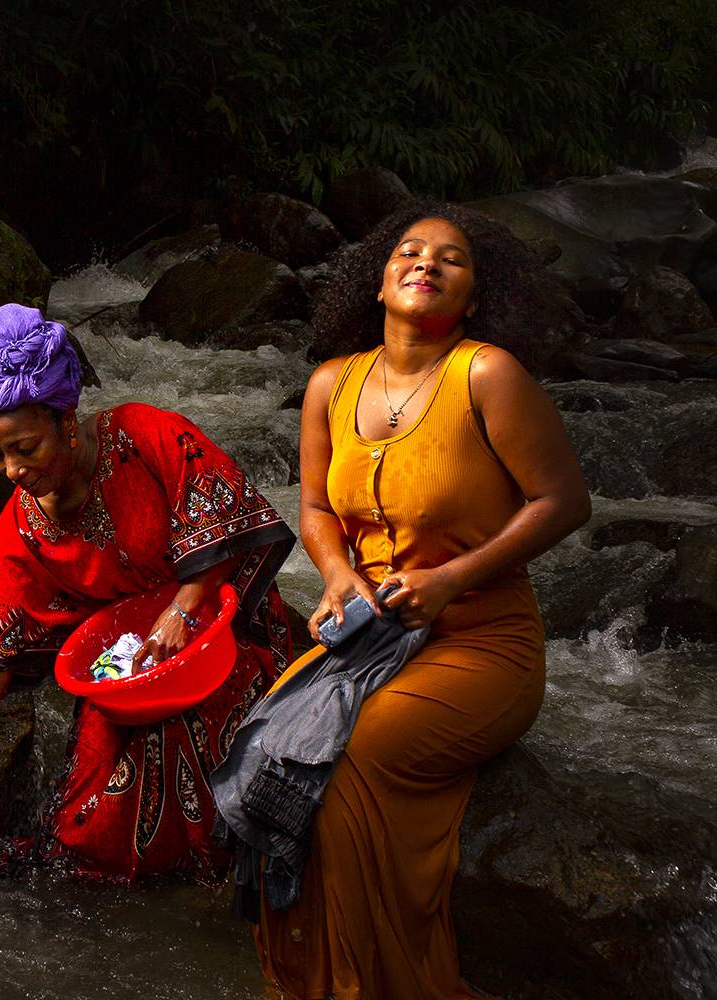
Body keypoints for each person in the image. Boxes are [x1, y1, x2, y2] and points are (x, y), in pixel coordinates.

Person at [257, 202, 591, 998]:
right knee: (270, 746)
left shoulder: (488, 375)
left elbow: (563, 502)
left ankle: (375, 981)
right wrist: (337, 575)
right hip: (371, 639)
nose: (426, 263)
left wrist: (452, 578)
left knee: (348, 757)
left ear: (474, 298)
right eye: (408, 251)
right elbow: (315, 507)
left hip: (482, 640)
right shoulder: (330, 383)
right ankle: (303, 977)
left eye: (452, 258)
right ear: (377, 283)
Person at [0, 303, 296, 879]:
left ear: (67, 421)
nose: (12, 470)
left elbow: (226, 518)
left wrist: (182, 610)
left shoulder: (143, 435)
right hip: (127, 674)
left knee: (204, 750)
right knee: (84, 825)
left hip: (223, 633)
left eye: (27, 448)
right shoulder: (20, 528)